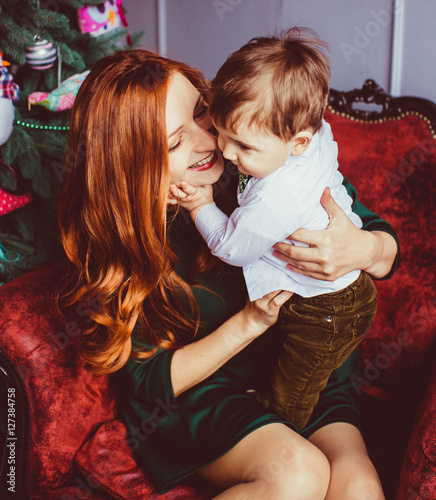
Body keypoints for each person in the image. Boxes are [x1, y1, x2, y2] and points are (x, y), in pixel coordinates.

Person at [57, 48, 398, 499]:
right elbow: (148, 381)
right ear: (133, 164)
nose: (211, 141)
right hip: (204, 393)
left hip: (298, 365)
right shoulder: (125, 240)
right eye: (176, 142)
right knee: (297, 473)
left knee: (359, 488)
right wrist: (248, 323)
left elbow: (384, 247)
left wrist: (362, 249)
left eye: (203, 113)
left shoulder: (261, 160)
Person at [169, 28, 378, 430]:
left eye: (243, 147)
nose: (226, 153)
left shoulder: (276, 197)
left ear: (298, 142)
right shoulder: (309, 133)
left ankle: (287, 428)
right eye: (222, 133)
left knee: (293, 391)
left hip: (326, 310)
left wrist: (201, 205)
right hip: (336, 295)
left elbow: (232, 247)